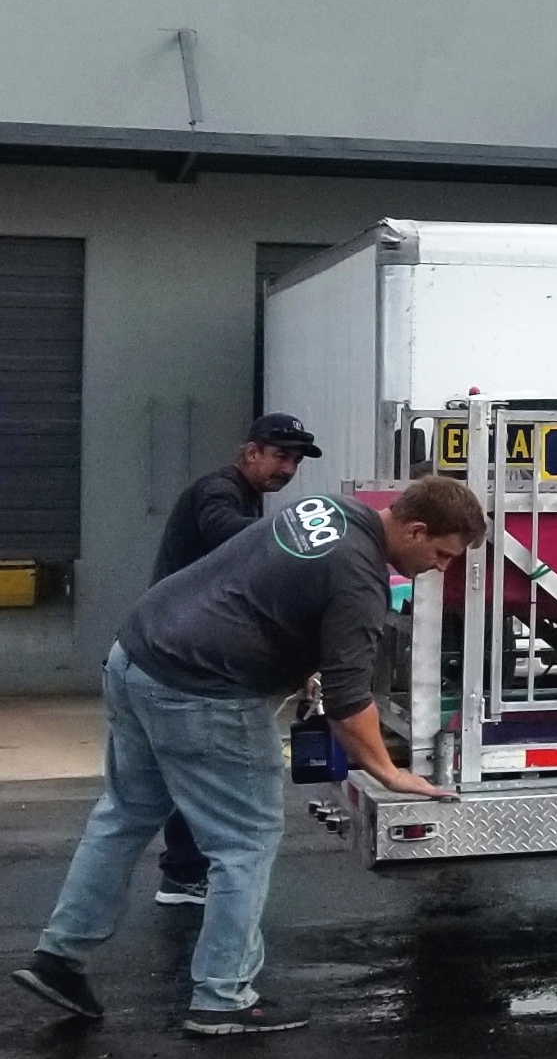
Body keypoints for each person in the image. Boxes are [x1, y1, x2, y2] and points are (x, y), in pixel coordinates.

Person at [11, 476, 482, 1035]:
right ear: (416, 528)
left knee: (123, 815)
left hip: (135, 654)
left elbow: (274, 589)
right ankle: (222, 998)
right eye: (441, 554)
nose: (440, 568)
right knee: (245, 841)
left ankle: (59, 957)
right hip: (201, 690)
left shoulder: (325, 509)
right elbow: (351, 704)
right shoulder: (361, 579)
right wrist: (389, 771)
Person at [139, 414, 325, 910]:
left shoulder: (245, 494)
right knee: (201, 770)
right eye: (279, 456)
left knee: (154, 788)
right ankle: (184, 875)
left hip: (169, 647)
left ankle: (180, 874)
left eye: (295, 460)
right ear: (250, 453)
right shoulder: (218, 492)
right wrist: (294, 538)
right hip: (183, 653)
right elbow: (227, 532)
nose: (287, 468)